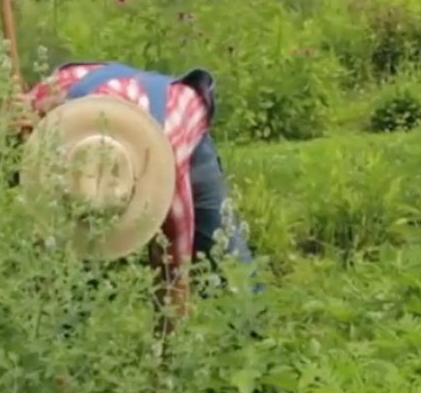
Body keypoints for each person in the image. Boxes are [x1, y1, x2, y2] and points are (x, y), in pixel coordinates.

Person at [14, 61, 255, 327]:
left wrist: (165, 353)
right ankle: (63, 336)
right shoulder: (44, 115)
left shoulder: (168, 165)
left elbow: (173, 277)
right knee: (65, 273)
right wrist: (9, 128)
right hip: (89, 84)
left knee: (229, 259)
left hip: (177, 115)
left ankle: (257, 333)